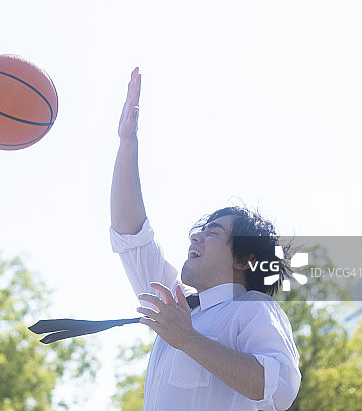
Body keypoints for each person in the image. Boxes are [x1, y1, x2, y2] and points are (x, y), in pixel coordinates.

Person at [109, 68, 301, 411]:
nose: (196, 235)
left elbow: (276, 387)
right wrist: (127, 142)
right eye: (200, 229)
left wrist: (186, 338)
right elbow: (131, 234)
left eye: (212, 232)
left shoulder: (253, 307)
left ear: (243, 260)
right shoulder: (177, 307)